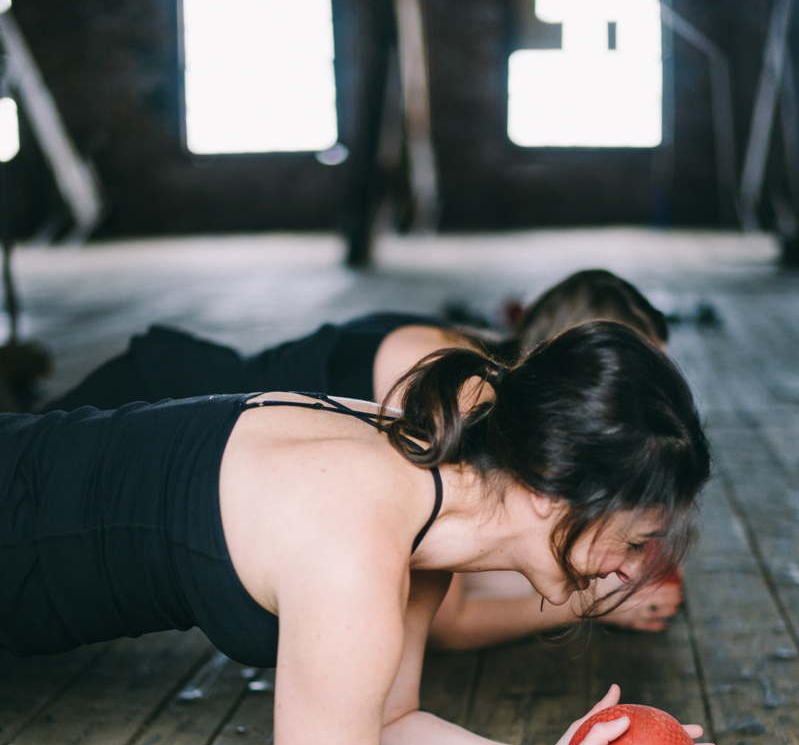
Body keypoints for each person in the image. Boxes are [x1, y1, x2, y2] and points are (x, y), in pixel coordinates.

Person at [1, 321, 735, 745]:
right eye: (634, 540)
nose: (630, 568)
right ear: (550, 490)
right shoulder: (355, 544)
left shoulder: (436, 489)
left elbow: (389, 724)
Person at [39, 270, 679, 645]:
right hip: (151, 406)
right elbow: (444, 622)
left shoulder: (479, 386)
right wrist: (590, 601)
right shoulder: (458, 395)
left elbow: (476, 548)